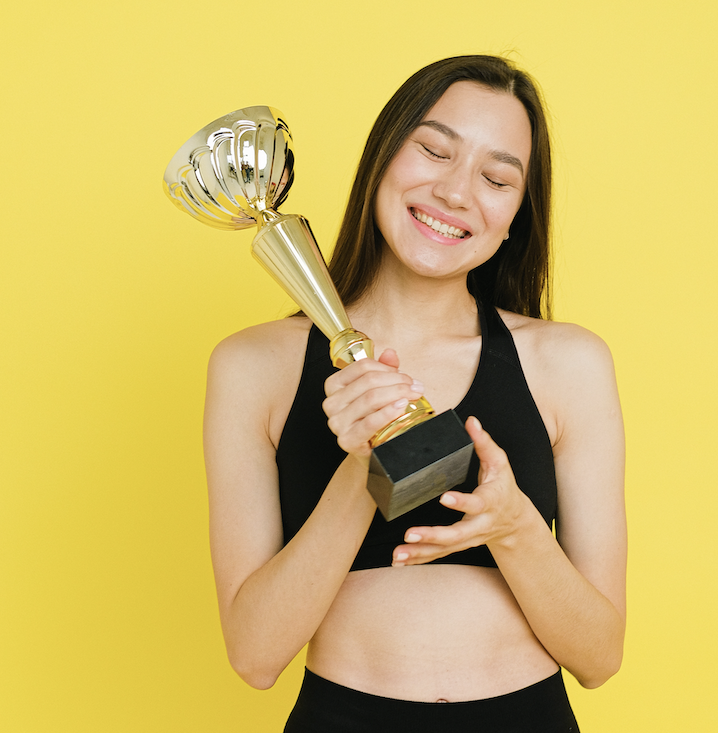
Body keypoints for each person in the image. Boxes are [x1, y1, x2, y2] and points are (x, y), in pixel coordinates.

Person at [203, 55, 626, 732]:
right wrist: (367, 466)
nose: (457, 192)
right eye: (433, 149)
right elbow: (254, 655)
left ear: (515, 216)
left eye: (495, 178)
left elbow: (600, 656)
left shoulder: (568, 362)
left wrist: (514, 525)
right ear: (381, 160)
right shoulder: (253, 365)